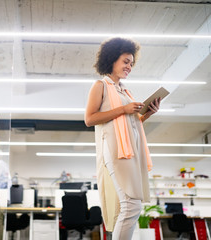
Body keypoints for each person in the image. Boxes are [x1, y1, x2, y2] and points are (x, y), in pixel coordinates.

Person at [84, 38, 160, 240]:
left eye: (131, 64)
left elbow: (130, 124)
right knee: (131, 205)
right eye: (126, 61)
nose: (129, 67)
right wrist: (124, 109)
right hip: (115, 150)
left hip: (129, 151)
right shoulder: (100, 85)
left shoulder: (125, 91)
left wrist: (146, 114)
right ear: (112, 59)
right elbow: (90, 119)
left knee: (130, 205)